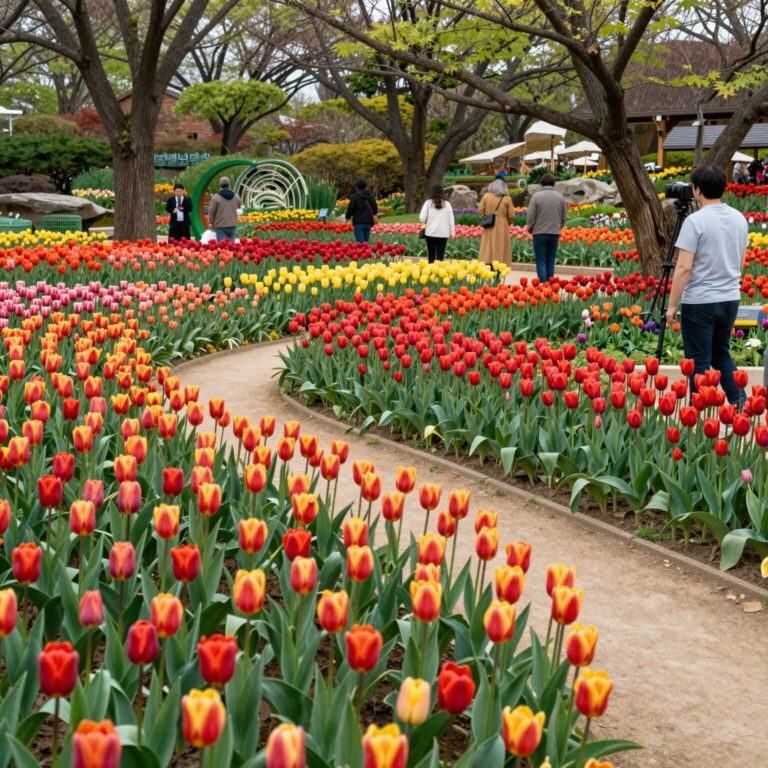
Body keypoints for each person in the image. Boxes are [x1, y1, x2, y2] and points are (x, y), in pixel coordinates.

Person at [665, 165, 748, 406]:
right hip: (730, 297)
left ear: (697, 190)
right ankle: (740, 402)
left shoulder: (694, 222)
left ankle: (698, 413)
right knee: (721, 352)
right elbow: (741, 261)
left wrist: (671, 305)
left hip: (700, 300)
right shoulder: (739, 218)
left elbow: (683, 267)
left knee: (699, 359)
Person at [526, 173, 568, 282]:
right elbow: (564, 216)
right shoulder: (560, 197)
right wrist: (558, 227)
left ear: (541, 184)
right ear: (554, 184)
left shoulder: (536, 197)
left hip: (539, 232)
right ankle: (550, 285)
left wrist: (531, 228)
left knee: (541, 260)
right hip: (554, 232)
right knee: (550, 260)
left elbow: (530, 216)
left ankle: (543, 286)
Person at [478, 178, 514, 268]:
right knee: (500, 246)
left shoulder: (486, 196)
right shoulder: (507, 199)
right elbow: (511, 215)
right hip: (502, 225)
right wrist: (505, 222)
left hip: (489, 224)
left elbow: (481, 211)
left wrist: (486, 218)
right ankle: (499, 265)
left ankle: (487, 263)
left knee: (488, 246)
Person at [419, 184, 455, 263]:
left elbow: (422, 218)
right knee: (440, 256)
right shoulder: (447, 204)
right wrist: (452, 233)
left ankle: (431, 273)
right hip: (443, 234)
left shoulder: (428, 203)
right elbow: (451, 220)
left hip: (430, 233)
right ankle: (439, 273)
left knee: (431, 256)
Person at [207, 177, 242, 242]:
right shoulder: (236, 197)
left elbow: (211, 211)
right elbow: (240, 211)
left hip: (220, 226)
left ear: (220, 185)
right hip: (233, 225)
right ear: (229, 184)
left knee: (223, 247)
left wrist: (211, 223)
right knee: (232, 248)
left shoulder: (216, 197)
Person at [345, 179, 378, 243]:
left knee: (360, 244)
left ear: (356, 187)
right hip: (368, 222)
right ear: (366, 186)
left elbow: (351, 208)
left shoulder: (354, 196)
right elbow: (375, 209)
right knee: (366, 243)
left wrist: (347, 217)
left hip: (358, 222)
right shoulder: (371, 196)